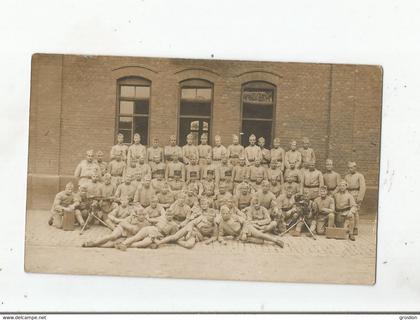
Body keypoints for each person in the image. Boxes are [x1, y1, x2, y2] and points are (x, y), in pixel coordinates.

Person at [82, 206, 150, 248]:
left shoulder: (146, 223)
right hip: (122, 229)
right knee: (113, 236)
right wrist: (130, 227)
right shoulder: (132, 218)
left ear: (145, 215)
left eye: (143, 215)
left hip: (128, 236)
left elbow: (145, 234)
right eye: (140, 215)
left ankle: (96, 244)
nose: (141, 216)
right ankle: (94, 242)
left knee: (112, 244)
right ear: (137, 215)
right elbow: (122, 223)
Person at [218, 206, 284, 247]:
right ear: (221, 214)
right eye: (223, 214)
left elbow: (245, 222)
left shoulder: (234, 217)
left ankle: (276, 240)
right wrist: (222, 241)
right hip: (240, 236)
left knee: (259, 234)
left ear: (229, 213)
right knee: (260, 241)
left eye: (227, 213)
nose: (225, 215)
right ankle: (252, 239)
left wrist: (244, 233)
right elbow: (220, 235)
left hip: (247, 228)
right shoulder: (222, 223)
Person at [115, 209, 179, 250]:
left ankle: (124, 245)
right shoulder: (161, 218)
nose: (169, 216)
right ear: (165, 215)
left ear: (173, 215)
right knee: (136, 237)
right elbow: (151, 220)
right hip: (151, 228)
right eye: (167, 215)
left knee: (144, 243)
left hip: (158, 235)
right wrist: (146, 218)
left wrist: (160, 241)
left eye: (170, 215)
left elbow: (171, 237)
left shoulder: (174, 225)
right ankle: (124, 243)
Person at [344, 161, 366, 236]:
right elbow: (345, 186)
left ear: (355, 167)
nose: (350, 169)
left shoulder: (360, 176)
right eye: (349, 168)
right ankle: (350, 227)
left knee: (355, 211)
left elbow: (363, 187)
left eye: (352, 167)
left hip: (356, 194)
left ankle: (355, 227)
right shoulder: (347, 176)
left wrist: (360, 198)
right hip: (348, 194)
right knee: (348, 211)